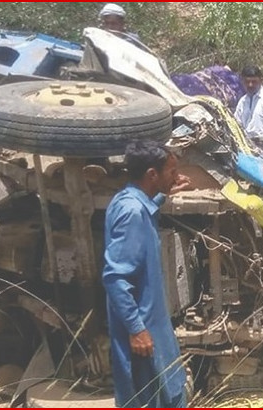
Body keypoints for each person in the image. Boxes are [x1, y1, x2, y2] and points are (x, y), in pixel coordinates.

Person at [102, 141, 190, 408]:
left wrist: (165, 194)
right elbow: (115, 277)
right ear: (152, 174)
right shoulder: (132, 212)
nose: (176, 177)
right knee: (153, 396)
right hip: (144, 327)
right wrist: (137, 328)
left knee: (165, 390)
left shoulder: (130, 199)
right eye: (172, 172)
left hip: (153, 323)